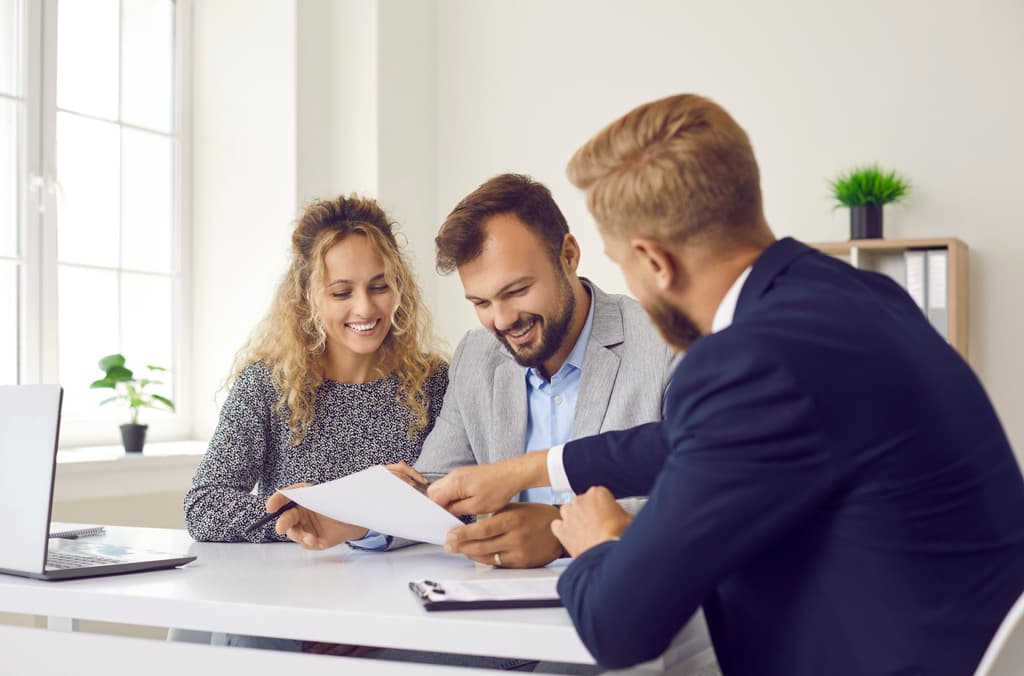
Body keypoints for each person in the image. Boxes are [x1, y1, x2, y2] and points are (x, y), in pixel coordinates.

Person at [428, 94, 1024, 676]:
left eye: (619, 259)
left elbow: (617, 627)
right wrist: (536, 469)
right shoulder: (855, 295)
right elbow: (683, 444)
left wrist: (601, 542)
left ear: (655, 262)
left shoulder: (749, 360)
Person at [275, 173, 676, 569]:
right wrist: (355, 519)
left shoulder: (666, 341)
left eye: (516, 291)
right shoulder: (477, 355)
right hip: (490, 616)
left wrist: (559, 534)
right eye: (481, 302)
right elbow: (435, 486)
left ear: (568, 255)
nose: (502, 321)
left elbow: (703, 494)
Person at [184, 194, 447, 546]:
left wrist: (345, 507)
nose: (365, 308)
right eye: (341, 293)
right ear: (307, 297)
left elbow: (458, 513)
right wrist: (326, 510)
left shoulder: (433, 381)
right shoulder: (267, 385)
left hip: (405, 590)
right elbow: (204, 509)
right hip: (299, 592)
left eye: (379, 286)